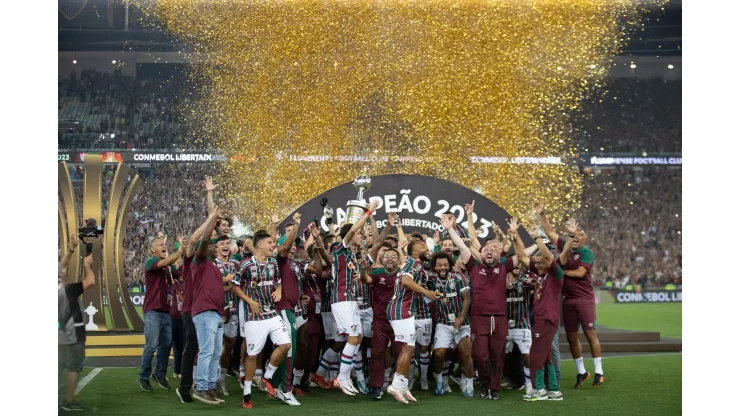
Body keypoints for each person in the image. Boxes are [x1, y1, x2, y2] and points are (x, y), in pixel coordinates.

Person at [441, 214, 536, 400]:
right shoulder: (474, 266)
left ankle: (494, 388)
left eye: (493, 249)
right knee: (480, 355)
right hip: (479, 318)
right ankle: (484, 383)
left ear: (499, 254)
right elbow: (461, 245)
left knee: (498, 356)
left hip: (500, 319)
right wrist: (450, 228)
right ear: (480, 253)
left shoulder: (504, 267)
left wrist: (522, 237)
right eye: (486, 250)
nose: (489, 251)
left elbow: (524, 255)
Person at [537, 205, 604, 387]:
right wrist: (543, 214)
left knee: (590, 334)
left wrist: (558, 271)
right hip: (568, 301)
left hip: (584, 299)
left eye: (578, 236)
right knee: (571, 337)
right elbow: (550, 232)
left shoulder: (586, 252)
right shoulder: (566, 249)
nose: (575, 239)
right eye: (573, 236)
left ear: (584, 239)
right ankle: (582, 372)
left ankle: (599, 371)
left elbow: (581, 273)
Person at [511, 218, 577, 401]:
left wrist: (538, 238)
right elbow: (522, 257)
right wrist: (515, 236)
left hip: (547, 319)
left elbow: (547, 257)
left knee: (537, 355)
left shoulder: (556, 274)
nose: (538, 264)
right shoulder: (540, 273)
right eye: (537, 263)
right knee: (545, 355)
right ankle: (554, 390)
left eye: (541, 262)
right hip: (540, 318)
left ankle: (539, 389)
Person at [233, 230, 292, 409]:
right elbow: (235, 287)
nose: (272, 246)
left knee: (285, 345)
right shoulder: (245, 265)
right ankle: (247, 395)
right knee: (252, 356)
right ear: (259, 245)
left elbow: (278, 281)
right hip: (254, 317)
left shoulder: (273, 263)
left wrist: (279, 289)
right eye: (269, 243)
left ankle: (267, 377)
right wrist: (250, 301)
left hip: (271, 313)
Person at [330, 200, 379, 396]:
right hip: (341, 300)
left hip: (351, 301)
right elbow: (350, 232)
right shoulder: (340, 250)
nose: (360, 236)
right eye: (359, 233)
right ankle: (341, 377)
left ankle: (345, 375)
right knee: (352, 337)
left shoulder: (352, 257)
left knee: (357, 338)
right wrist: (368, 212)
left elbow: (373, 248)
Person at [386, 240, 441, 404]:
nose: (427, 249)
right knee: (408, 347)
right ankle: (396, 384)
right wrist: (426, 291)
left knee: (408, 348)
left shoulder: (413, 263)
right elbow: (406, 281)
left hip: (402, 308)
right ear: (415, 252)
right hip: (401, 308)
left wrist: (428, 292)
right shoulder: (414, 263)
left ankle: (402, 385)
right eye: (423, 247)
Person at [191, 209, 232, 404]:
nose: (211, 247)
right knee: (207, 350)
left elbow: (220, 289)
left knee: (216, 352)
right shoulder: (200, 261)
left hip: (216, 313)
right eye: (208, 245)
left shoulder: (215, 267)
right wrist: (212, 219)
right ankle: (200, 387)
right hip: (204, 311)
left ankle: (209, 386)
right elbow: (206, 239)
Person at [138, 234, 184, 392]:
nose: (164, 246)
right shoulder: (151, 261)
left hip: (166, 311)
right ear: (153, 250)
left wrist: (187, 253)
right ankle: (143, 376)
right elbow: (165, 261)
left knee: (165, 344)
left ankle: (160, 374)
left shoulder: (169, 268)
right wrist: (179, 252)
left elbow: (182, 276)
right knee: (152, 344)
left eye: (165, 245)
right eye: (160, 244)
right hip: (153, 310)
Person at [428, 251, 474, 397]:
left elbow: (467, 298)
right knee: (438, 354)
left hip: (462, 323)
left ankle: (469, 384)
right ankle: (440, 381)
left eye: (445, 265)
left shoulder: (459, 277)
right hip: (443, 323)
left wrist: (461, 317)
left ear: (450, 265)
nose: (443, 267)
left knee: (466, 353)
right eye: (439, 265)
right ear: (434, 267)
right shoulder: (431, 280)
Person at [361, 248, 402, 400]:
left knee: (400, 354)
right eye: (386, 256)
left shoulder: (404, 274)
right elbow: (366, 280)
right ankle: (376, 387)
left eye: (393, 256)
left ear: (399, 260)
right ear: (382, 260)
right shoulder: (377, 274)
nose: (390, 259)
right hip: (379, 320)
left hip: (398, 320)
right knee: (377, 353)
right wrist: (364, 270)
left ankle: (399, 385)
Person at [58, 251, 96, 412]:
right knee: (74, 366)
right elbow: (91, 281)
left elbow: (62, 265)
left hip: (61, 335)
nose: (63, 271)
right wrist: (87, 265)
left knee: (60, 366)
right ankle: (68, 400)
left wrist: (72, 249)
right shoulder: (67, 290)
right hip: (73, 333)